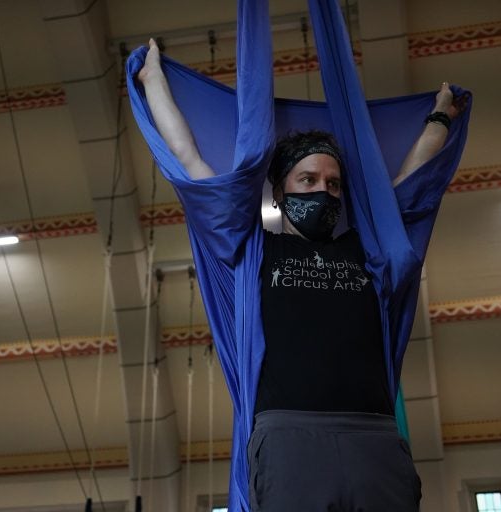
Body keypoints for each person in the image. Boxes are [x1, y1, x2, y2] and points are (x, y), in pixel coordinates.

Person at [136, 35, 466, 510]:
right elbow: (190, 161)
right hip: (289, 438)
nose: (324, 191)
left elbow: (411, 184)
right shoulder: (252, 251)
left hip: (372, 434)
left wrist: (440, 115)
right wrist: (154, 82)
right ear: (281, 191)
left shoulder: (368, 252)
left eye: (333, 184)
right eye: (308, 180)